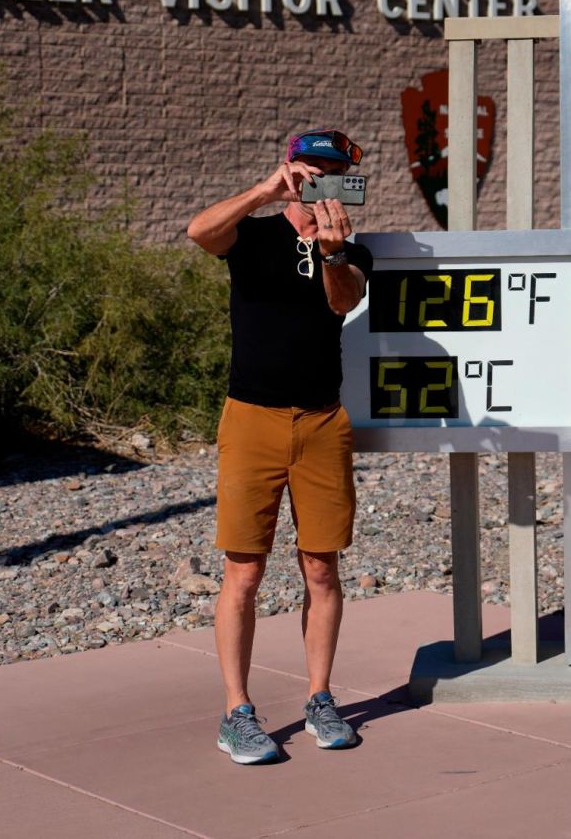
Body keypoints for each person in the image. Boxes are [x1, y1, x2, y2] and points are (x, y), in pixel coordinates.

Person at [185, 126, 374, 765]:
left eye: (331, 171)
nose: (317, 181)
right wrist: (265, 190)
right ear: (291, 169)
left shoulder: (351, 250)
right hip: (251, 420)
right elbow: (198, 232)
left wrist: (332, 249)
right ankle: (237, 711)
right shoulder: (255, 236)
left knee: (321, 566)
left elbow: (341, 303)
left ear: (348, 178)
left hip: (322, 423)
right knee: (244, 570)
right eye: (307, 169)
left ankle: (321, 697)